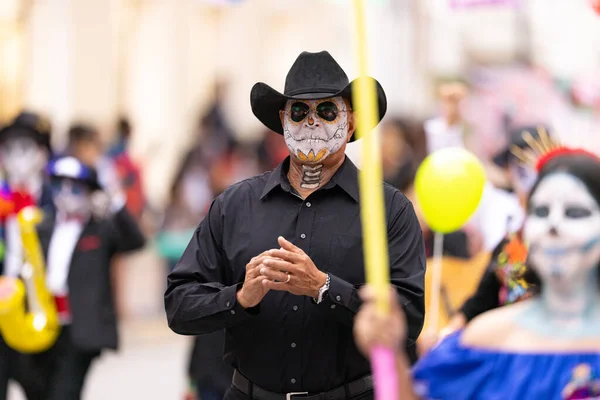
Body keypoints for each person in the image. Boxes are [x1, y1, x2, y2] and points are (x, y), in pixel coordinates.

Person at [165, 50, 426, 400]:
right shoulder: (235, 204)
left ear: (350, 123)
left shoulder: (388, 209)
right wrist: (241, 297)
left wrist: (325, 288)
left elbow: (408, 318)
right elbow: (180, 305)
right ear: (283, 122)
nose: (312, 123)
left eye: (327, 111)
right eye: (300, 112)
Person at [354, 147, 600, 399]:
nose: (553, 226)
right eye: (541, 212)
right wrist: (390, 352)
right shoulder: (486, 341)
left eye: (576, 212)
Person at [8, 156, 145, 400]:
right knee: (36, 388)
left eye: (75, 187)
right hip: (45, 323)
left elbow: (135, 241)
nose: (67, 193)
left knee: (65, 392)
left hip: (79, 327)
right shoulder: (44, 226)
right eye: (60, 185)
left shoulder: (100, 228)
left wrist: (114, 201)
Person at [416, 126, 545, 355]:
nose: (528, 183)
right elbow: (480, 301)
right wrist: (445, 338)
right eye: (519, 171)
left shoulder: (575, 242)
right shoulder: (509, 243)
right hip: (510, 356)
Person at [0, 111, 54, 400]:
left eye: (24, 149)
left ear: (41, 154)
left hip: (40, 310)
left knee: (40, 387)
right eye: (7, 150)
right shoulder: (2, 197)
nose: (15, 159)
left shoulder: (55, 200)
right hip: (2, 310)